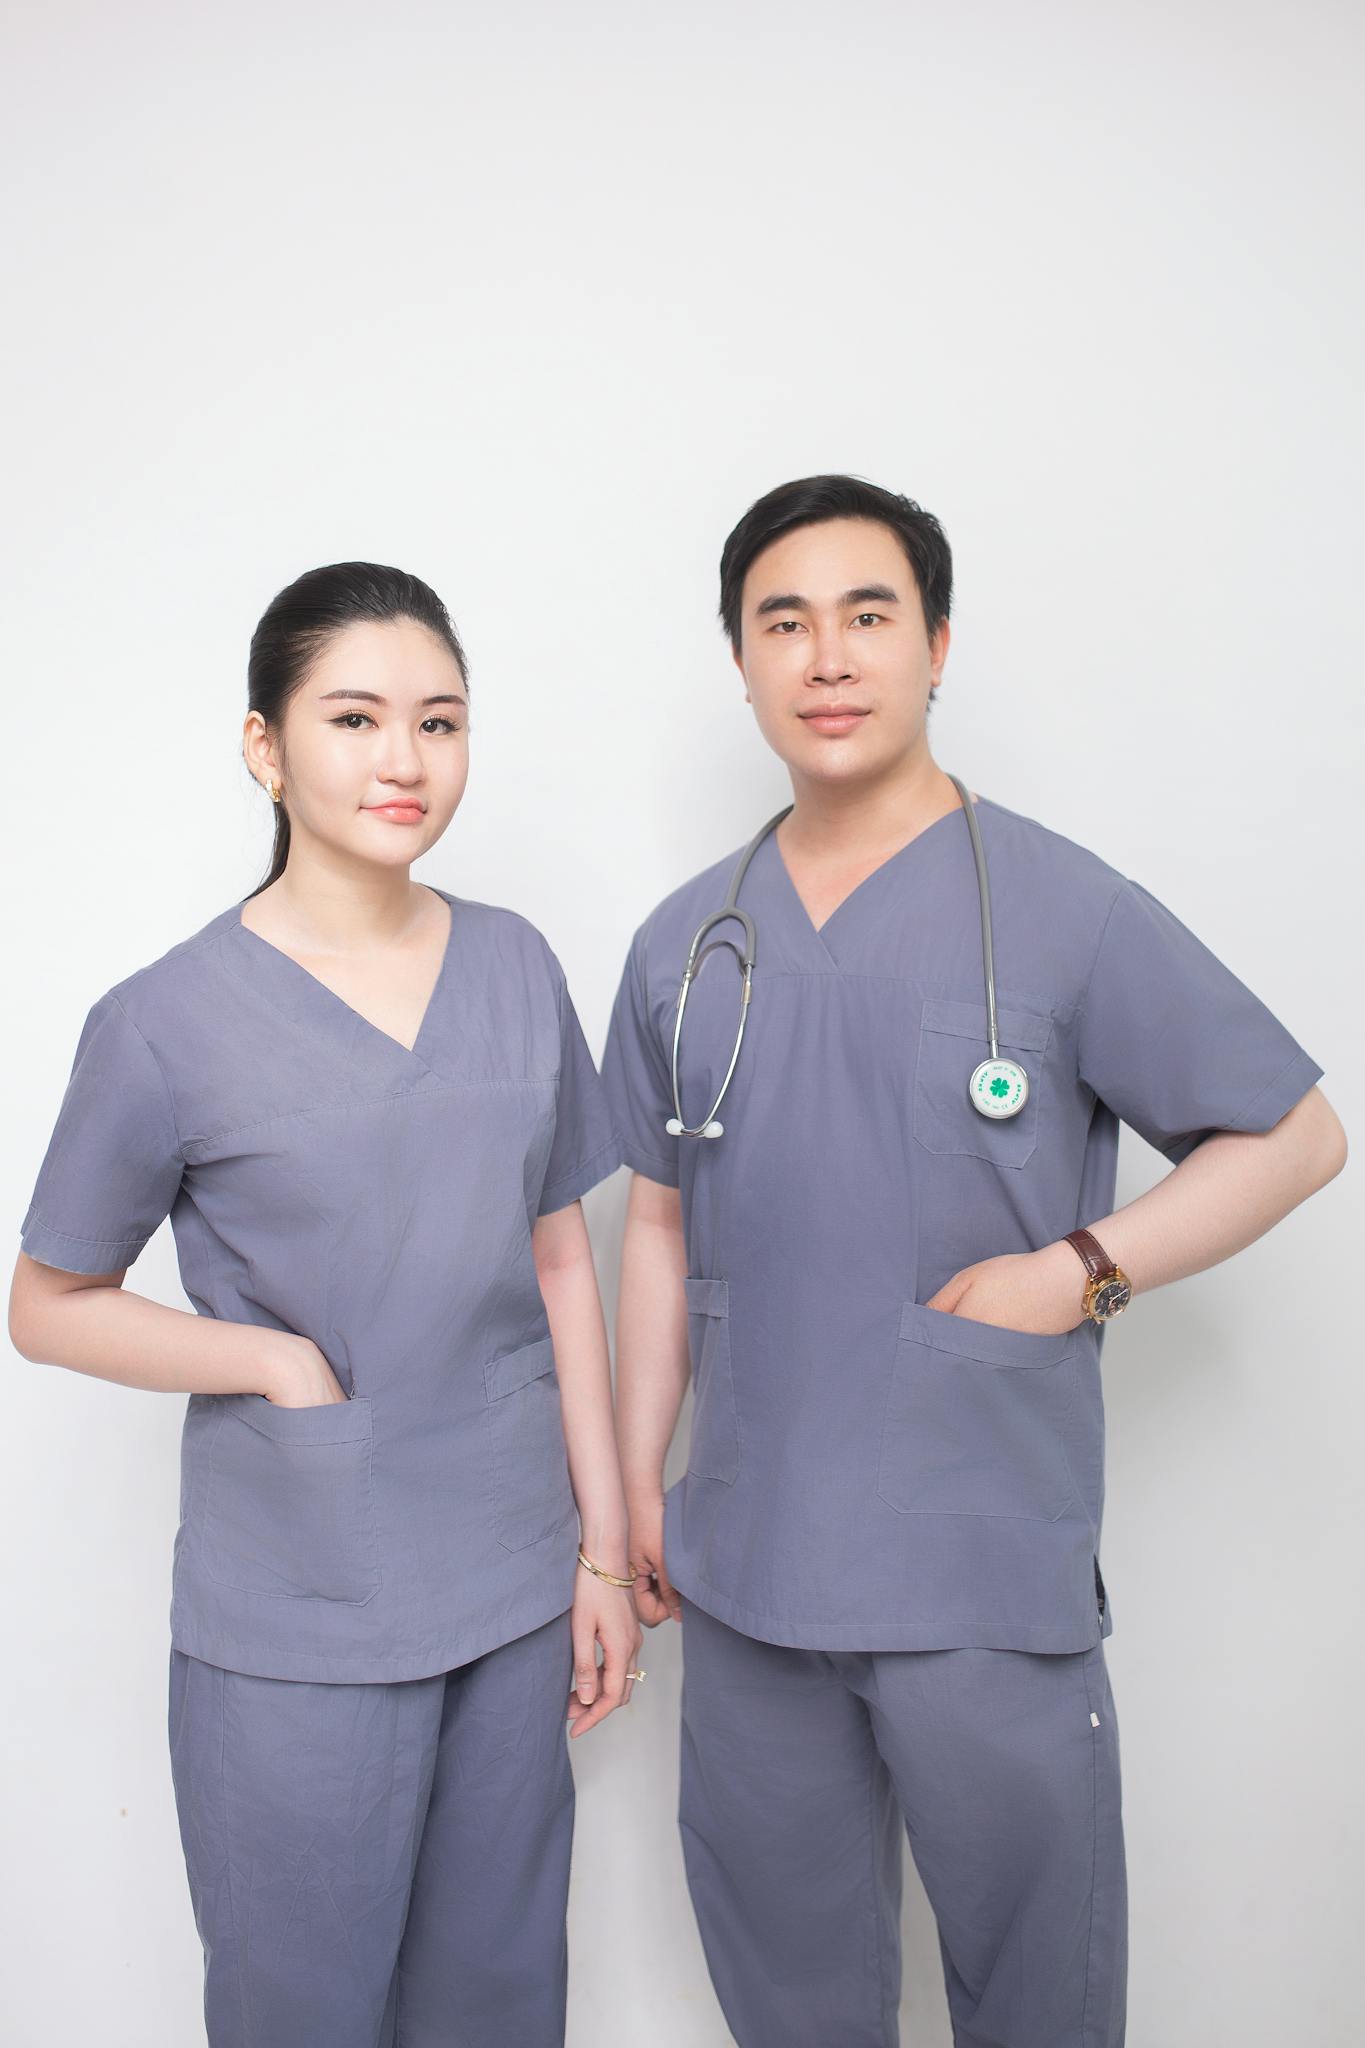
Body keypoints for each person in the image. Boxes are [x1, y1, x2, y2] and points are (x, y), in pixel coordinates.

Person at [601, 475, 1346, 2048]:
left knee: (1038, 2004)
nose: (826, 656)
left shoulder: (1064, 910)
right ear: (737, 661)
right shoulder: (685, 944)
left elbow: (1291, 1135)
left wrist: (1074, 1264)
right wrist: (638, 1487)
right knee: (791, 2004)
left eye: (867, 615)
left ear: (935, 644)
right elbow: (658, 1227)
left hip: (980, 1575)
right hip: (747, 1572)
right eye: (780, 621)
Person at [8, 562, 640, 2048]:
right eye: (354, 717)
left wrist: (604, 1554)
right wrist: (273, 1361)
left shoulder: (512, 965)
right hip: (299, 1603)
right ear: (263, 746)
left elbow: (561, 1257)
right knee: (306, 2008)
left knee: (496, 2002)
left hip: (506, 1573)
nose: (403, 761)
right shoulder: (163, 1022)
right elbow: (47, 1304)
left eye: (440, 720)